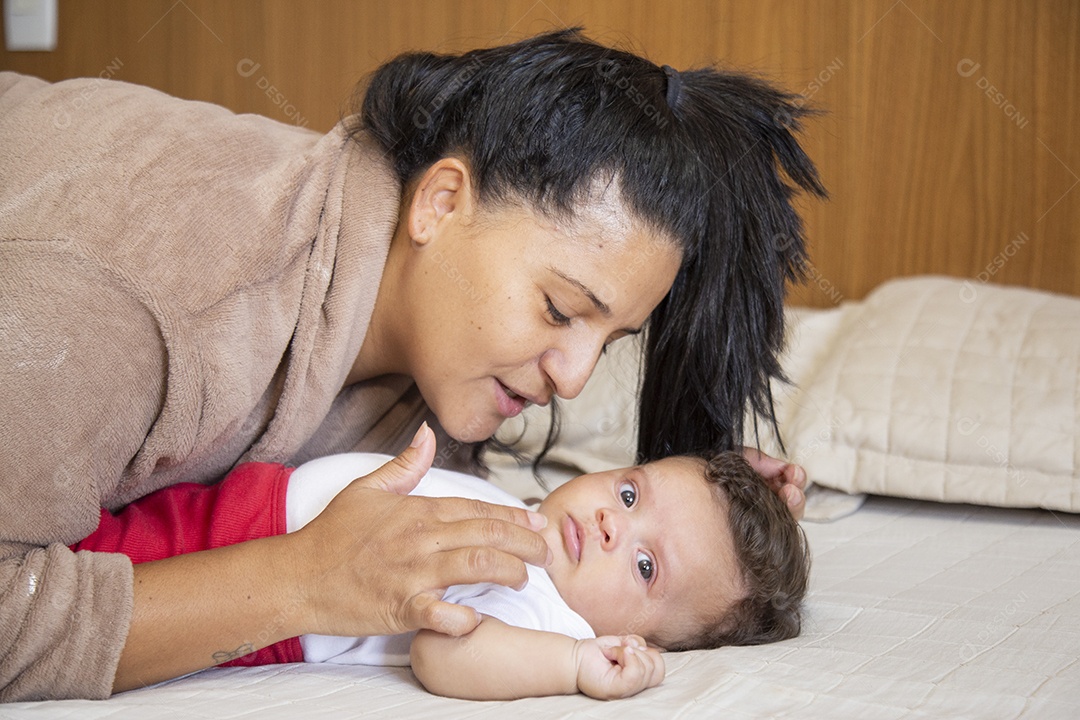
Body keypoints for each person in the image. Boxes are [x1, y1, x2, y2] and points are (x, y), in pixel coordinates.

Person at [0, 28, 820, 700]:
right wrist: (300, 581)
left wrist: (727, 509)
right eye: (561, 310)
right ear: (440, 201)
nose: (572, 377)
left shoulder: (431, 362)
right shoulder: (142, 301)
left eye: (606, 342)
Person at [71, 424, 810, 700]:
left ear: (645, 641)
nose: (614, 527)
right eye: (628, 492)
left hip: (235, 568)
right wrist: (734, 487)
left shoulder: (541, 608)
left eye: (648, 569)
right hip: (232, 507)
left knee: (73, 583)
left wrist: (575, 665)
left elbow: (445, 654)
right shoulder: (525, 519)